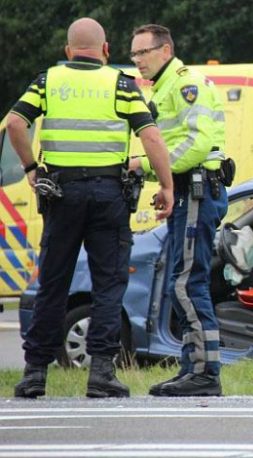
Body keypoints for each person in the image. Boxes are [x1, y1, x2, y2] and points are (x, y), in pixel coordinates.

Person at [8, 17, 174, 398]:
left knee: (53, 282)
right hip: (108, 195)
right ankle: (101, 373)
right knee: (109, 283)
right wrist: (165, 185)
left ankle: (35, 374)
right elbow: (150, 136)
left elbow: (16, 124)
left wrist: (31, 168)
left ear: (68, 51)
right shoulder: (120, 85)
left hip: (61, 194)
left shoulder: (47, 81)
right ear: (106, 51)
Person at [129, 24, 229, 396]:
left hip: (197, 191)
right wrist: (149, 168)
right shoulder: (165, 86)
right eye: (134, 54)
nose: (137, 61)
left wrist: (159, 173)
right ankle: (193, 369)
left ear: (165, 49)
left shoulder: (186, 83)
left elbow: (197, 142)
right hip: (188, 191)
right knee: (182, 282)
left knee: (188, 283)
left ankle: (205, 373)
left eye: (144, 53)